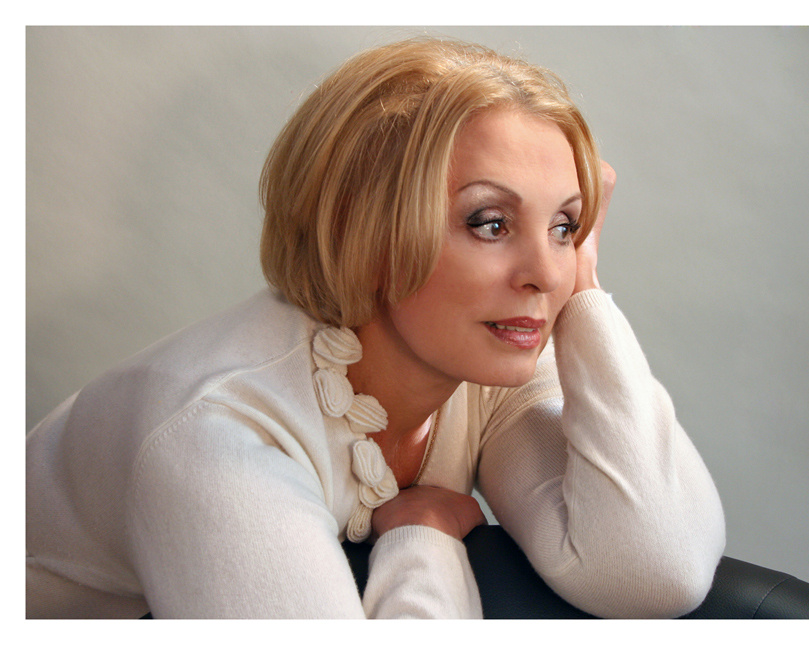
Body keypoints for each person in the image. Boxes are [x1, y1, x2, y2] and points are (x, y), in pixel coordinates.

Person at [25, 37, 726, 619]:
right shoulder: (217, 435)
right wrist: (426, 539)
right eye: (490, 223)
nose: (545, 273)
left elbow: (653, 570)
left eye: (565, 226)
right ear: (362, 231)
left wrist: (587, 294)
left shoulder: (478, 356)